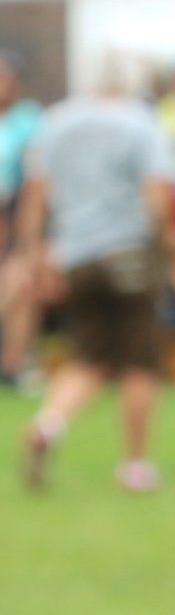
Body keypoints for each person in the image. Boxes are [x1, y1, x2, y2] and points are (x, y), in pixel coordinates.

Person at [17, 70, 175, 494]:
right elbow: (156, 196)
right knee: (140, 362)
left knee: (89, 356)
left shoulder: (55, 123)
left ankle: (48, 426)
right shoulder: (141, 122)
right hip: (129, 251)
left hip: (75, 255)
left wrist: (38, 259)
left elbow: (36, 197)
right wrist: (163, 247)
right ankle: (136, 466)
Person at [0, 50, 38, 387]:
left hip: (16, 207)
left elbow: (36, 173)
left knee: (21, 287)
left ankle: (15, 362)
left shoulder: (29, 120)